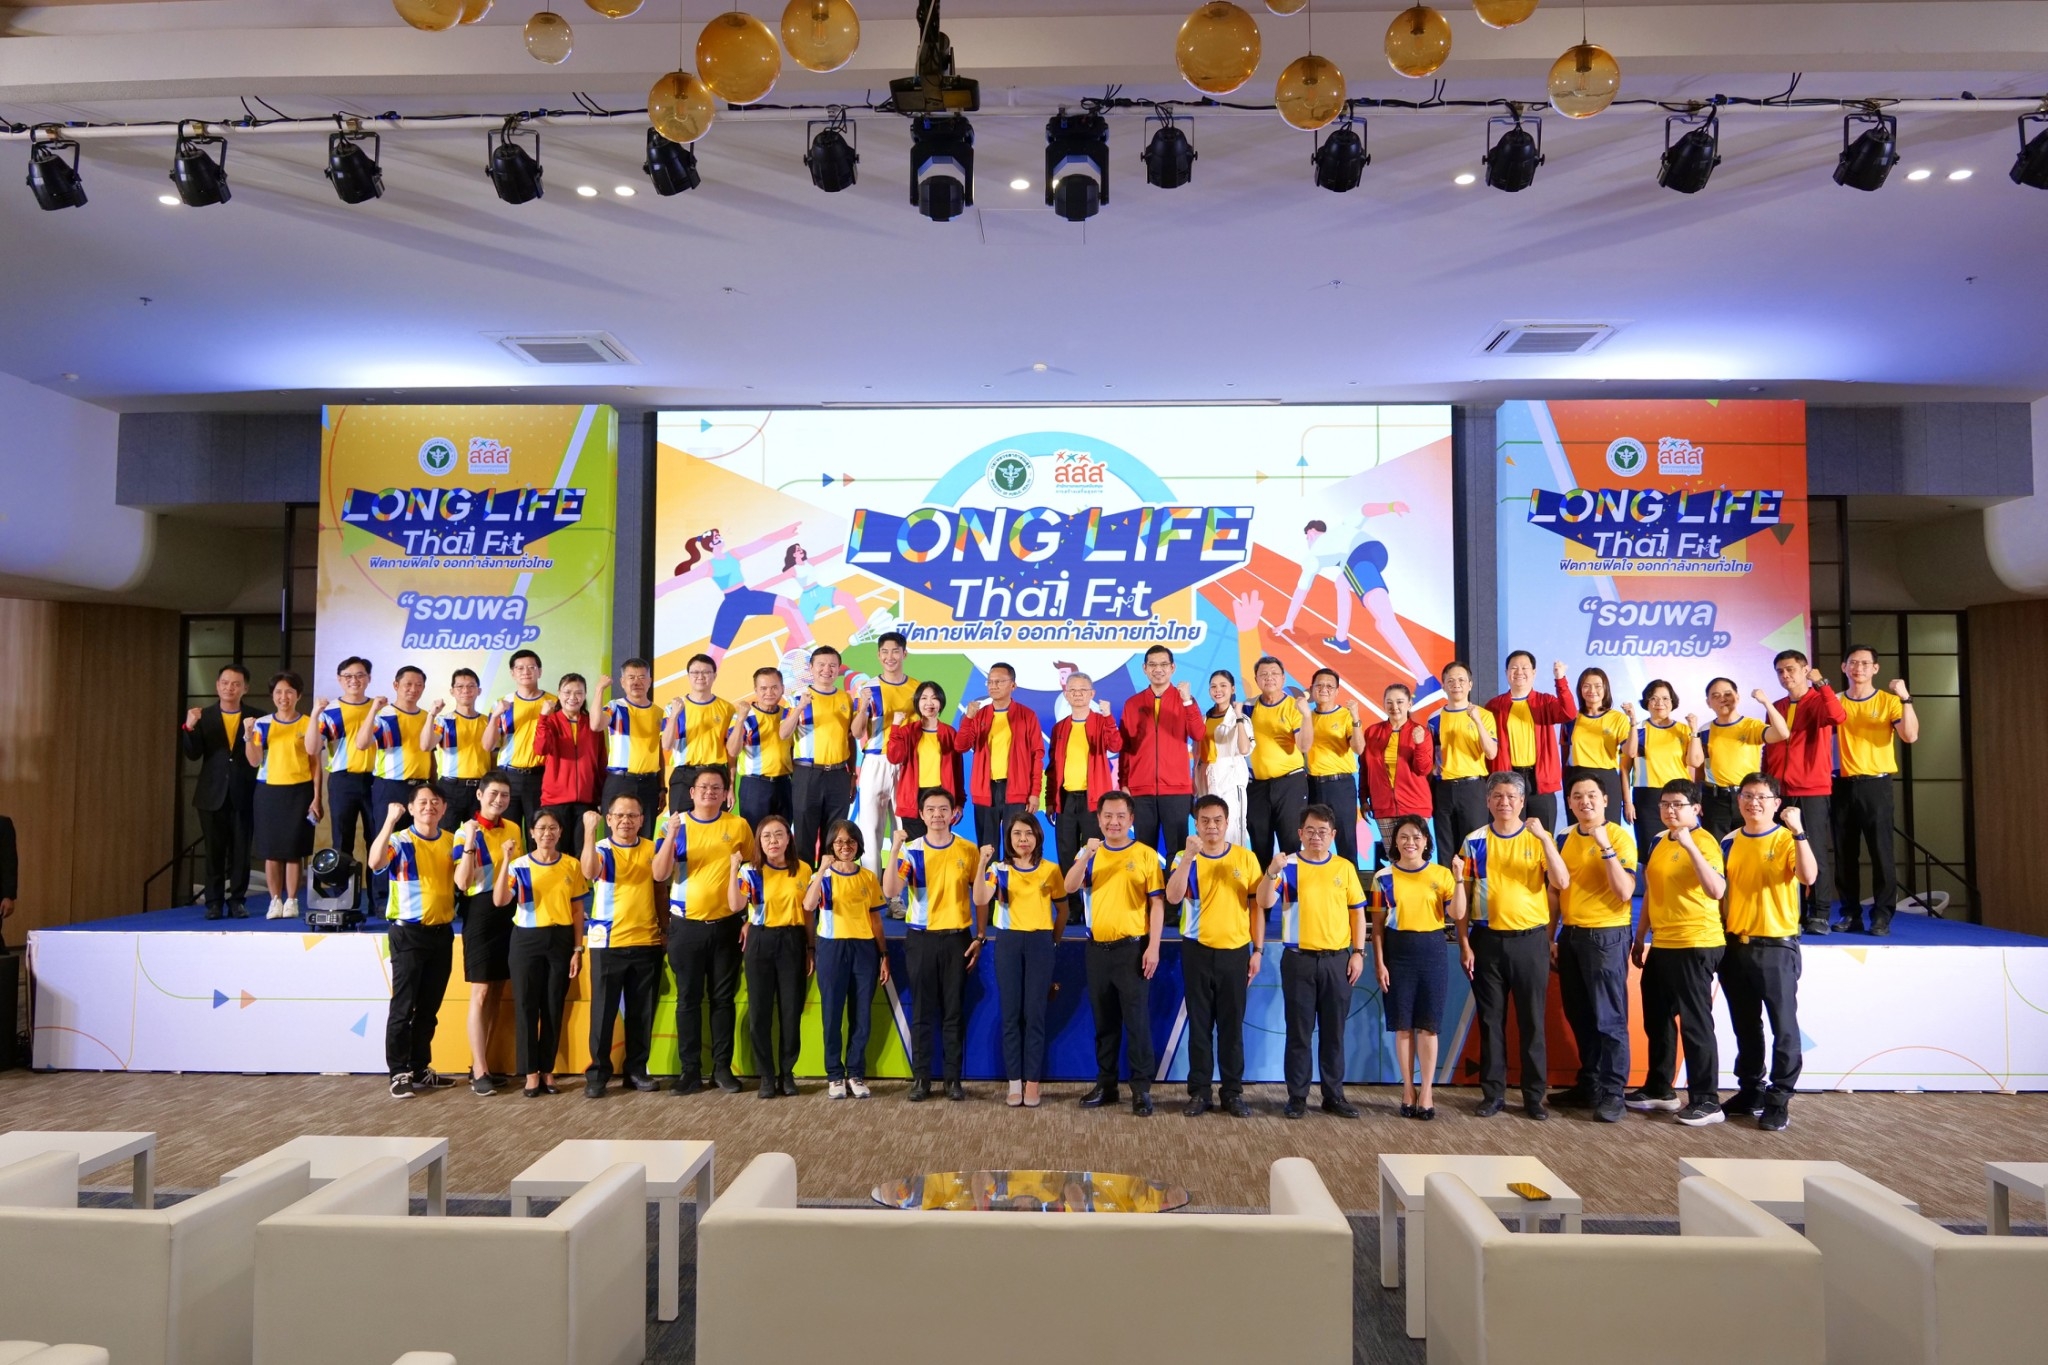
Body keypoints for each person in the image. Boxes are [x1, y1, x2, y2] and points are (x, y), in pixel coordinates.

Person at [1458, 770, 1568, 1120]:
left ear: (1522, 802)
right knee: (1491, 1021)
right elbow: (1463, 895)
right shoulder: (1474, 841)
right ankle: (1493, 1094)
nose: (1504, 802)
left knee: (1532, 1021)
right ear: (1487, 801)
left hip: (1530, 942)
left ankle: (1534, 1097)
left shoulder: (1538, 838)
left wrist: (1546, 839)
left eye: (1511, 797)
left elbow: (1561, 881)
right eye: (1497, 796)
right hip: (1486, 941)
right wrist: (1464, 944)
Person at [1719, 772, 1818, 1131]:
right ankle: (1751, 1091)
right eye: (1747, 795)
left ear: (1776, 803)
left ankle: (1779, 1098)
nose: (1753, 802)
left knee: (1783, 1027)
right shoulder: (1729, 841)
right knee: (1745, 1026)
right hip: (1736, 945)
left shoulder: (1788, 838)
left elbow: (1808, 877)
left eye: (1761, 797)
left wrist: (1799, 831)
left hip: (1776, 946)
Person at [1627, 778, 1727, 1126]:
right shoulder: (1658, 840)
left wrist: (1690, 846)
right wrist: (1640, 936)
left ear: (1696, 808)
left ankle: (1707, 1100)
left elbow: (1716, 890)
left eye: (1678, 804)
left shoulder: (1705, 842)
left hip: (1696, 941)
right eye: (1665, 804)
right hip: (1663, 942)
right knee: (1657, 1019)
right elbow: (1652, 892)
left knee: (1695, 1024)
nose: (1670, 810)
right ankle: (1660, 1088)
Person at [1064, 791, 1166, 1116]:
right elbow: (1068, 887)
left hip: (1132, 950)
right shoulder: (1090, 854)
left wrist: (1153, 946)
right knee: (1104, 1023)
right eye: (1107, 815)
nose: (1114, 822)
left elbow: (1157, 904)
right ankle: (1106, 1085)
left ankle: (1141, 1090)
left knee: (1137, 1023)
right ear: (1098, 819)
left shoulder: (1146, 855)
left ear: (1131, 819)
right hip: (1096, 950)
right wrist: (1086, 855)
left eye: (1121, 816)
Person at [655, 766, 755, 1094]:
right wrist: (670, 835)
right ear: (692, 793)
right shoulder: (674, 825)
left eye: (716, 788)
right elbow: (659, 874)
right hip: (686, 928)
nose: (710, 792)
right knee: (688, 1000)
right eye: (703, 787)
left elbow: (752, 873)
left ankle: (722, 1069)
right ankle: (690, 1072)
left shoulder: (738, 825)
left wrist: (749, 919)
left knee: (723, 999)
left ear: (726, 793)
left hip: (727, 926)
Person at [1266, 804, 1368, 1119]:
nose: (1316, 836)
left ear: (1333, 835)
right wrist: (1271, 873)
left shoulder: (1344, 867)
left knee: (1333, 1033)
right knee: (1299, 1032)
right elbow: (1265, 901)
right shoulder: (1287, 865)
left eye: (1323, 831)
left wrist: (1359, 953)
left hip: (1337, 961)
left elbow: (1358, 913)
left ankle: (1333, 1095)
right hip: (1298, 960)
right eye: (1309, 830)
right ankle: (1297, 1097)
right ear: (1300, 833)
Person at [1276, 508, 1439, 702]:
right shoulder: (1344, 527)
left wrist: (1289, 621)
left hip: (1357, 559)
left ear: (1310, 533)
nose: (1308, 541)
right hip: (1376, 552)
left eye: (1307, 538)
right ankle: (1341, 639)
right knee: (1342, 582)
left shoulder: (1315, 552)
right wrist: (1390, 505)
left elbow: (1301, 589)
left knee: (1384, 621)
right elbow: (1366, 509)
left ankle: (1426, 679)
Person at [1166, 795, 1263, 1118]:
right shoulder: (1184, 857)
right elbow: (1173, 897)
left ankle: (1232, 1092)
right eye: (1204, 820)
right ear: (1195, 824)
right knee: (1200, 1025)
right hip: (1196, 950)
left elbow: (1257, 908)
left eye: (1217, 820)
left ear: (1227, 822)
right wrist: (1187, 858)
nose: (1211, 826)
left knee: (1231, 1027)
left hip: (1235, 952)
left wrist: (1258, 950)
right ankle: (1200, 1092)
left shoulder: (1246, 858)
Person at [1549, 774, 1639, 1124]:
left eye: (1591, 795)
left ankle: (1614, 1092)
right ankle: (1590, 1084)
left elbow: (1625, 891)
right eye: (1577, 796)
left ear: (1605, 800)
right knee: (1581, 1015)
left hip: (1606, 937)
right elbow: (1555, 891)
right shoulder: (1564, 837)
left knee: (1609, 1019)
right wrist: (1551, 936)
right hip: (1571, 935)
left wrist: (1606, 848)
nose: (1584, 801)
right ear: (1569, 803)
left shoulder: (1619, 836)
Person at [887, 786, 984, 1101]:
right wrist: (894, 850)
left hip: (958, 939)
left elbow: (981, 897)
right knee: (922, 1012)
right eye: (930, 809)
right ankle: (921, 1079)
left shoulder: (968, 850)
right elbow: (891, 890)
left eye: (943, 809)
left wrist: (980, 936)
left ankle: (953, 1080)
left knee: (954, 1011)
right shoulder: (911, 851)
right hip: (921, 939)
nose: (937, 815)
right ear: (921, 814)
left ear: (954, 813)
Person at [368, 782, 458, 1098]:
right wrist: (390, 821)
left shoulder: (451, 841)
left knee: (429, 1008)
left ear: (444, 809)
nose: (429, 806)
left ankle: (420, 1067)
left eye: (435, 801)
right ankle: (398, 1072)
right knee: (404, 1007)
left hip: (442, 934)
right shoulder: (399, 840)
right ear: (411, 807)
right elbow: (375, 862)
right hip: (408, 933)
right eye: (422, 801)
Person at [1370, 815, 1460, 1121]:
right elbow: (1378, 928)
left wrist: (1460, 880)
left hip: (1433, 951)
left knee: (1429, 1025)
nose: (1410, 842)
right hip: (1397, 953)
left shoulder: (1442, 875)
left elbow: (1457, 913)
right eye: (1404, 837)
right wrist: (1380, 963)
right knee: (1403, 1026)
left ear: (1426, 841)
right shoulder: (1383, 877)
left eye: (1416, 837)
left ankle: (1427, 1092)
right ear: (1395, 842)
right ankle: (1408, 1090)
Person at [976, 811, 1068, 1108]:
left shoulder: (1051, 870)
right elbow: (980, 899)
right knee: (1011, 1014)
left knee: (1035, 1014)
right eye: (1017, 833)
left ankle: (1033, 1083)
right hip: (1008, 943)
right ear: (1009, 838)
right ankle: (1014, 1082)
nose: (1023, 839)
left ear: (1038, 837)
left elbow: (1063, 911)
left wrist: (1053, 941)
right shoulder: (998, 869)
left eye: (1028, 833)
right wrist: (981, 863)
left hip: (1041, 943)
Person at [494, 808, 587, 1097]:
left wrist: (577, 949)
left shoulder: (571, 865)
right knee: (526, 1006)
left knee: (553, 1005)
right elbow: (500, 900)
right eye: (541, 828)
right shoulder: (519, 865)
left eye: (553, 828)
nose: (547, 833)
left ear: (560, 833)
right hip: (526, 940)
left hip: (560, 939)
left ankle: (547, 1069)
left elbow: (577, 910)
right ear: (532, 833)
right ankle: (530, 1072)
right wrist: (505, 860)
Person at [579, 793, 664, 1097]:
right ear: (609, 819)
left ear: (642, 820)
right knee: (603, 1012)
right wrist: (590, 832)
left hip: (646, 940)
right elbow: (588, 872)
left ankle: (636, 1070)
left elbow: (661, 886)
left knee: (642, 1012)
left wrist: (664, 930)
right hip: (607, 941)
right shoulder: (600, 848)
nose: (626, 821)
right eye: (619, 815)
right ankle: (598, 1074)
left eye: (632, 816)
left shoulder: (652, 849)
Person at [1833, 646, 1919, 936]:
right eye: (1853, 663)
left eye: (1864, 663)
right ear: (1844, 667)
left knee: (1882, 853)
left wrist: (1905, 698)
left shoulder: (1889, 701)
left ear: (1875, 668)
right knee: (1844, 855)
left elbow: (1910, 735)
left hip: (1876, 785)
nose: (1858, 668)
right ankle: (1850, 914)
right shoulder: (1835, 701)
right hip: (1840, 785)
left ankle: (1882, 916)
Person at [449, 772, 524, 1095]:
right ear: (479, 795)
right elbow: (461, 882)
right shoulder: (464, 831)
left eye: (505, 795)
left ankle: (482, 1065)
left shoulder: (514, 829)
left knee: (496, 990)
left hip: (508, 910)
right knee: (480, 992)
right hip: (479, 912)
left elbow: (518, 873)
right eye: (493, 793)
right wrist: (469, 841)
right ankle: (479, 1068)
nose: (499, 800)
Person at [805, 819, 887, 1099]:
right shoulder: (823, 877)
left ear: (858, 845)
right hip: (831, 947)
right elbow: (808, 905)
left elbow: (876, 920)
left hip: (864, 949)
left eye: (851, 841)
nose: (845, 847)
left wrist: (884, 954)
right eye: (839, 841)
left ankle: (855, 1073)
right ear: (830, 845)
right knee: (832, 1014)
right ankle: (834, 1075)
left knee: (861, 1015)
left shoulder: (868, 877)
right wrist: (821, 870)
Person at [1766, 650, 1846, 936]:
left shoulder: (1818, 699)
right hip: (1780, 789)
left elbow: (1838, 716)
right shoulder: (1777, 705)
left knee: (1814, 851)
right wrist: (1767, 783)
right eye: (1780, 671)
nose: (1785, 675)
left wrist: (1821, 683)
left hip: (1812, 789)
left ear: (1804, 669)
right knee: (1784, 854)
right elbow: (1771, 746)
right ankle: (1793, 913)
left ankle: (1820, 913)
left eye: (1790, 669)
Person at [732, 812, 809, 1099]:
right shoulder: (749, 871)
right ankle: (766, 1075)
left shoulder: (803, 870)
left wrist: (810, 948)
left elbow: (808, 914)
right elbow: (735, 905)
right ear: (759, 842)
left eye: (779, 834)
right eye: (766, 836)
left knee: (791, 1011)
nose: (773, 841)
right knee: (760, 1012)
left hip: (792, 940)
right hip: (760, 941)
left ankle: (787, 1073)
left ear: (789, 839)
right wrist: (733, 869)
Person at [356, 665, 434, 911]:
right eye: (408, 684)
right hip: (389, 787)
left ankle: (412, 899)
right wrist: (373, 710)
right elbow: (361, 743)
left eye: (419, 685)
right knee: (386, 842)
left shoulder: (427, 716)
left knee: (417, 843)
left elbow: (431, 755)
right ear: (396, 685)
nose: (413, 689)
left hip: (420, 789)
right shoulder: (384, 714)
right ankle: (381, 901)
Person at [673, 526, 814, 663]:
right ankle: (704, 677)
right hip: (732, 605)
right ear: (710, 544)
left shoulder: (732, 554)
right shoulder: (708, 566)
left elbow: (758, 544)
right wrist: (659, 591)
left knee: (789, 606)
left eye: (719, 535)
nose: (720, 537)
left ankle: (812, 652)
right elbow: (678, 582)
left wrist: (781, 535)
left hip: (747, 597)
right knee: (715, 653)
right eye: (716, 537)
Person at [182, 663, 257, 919]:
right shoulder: (203, 716)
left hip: (244, 793)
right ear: (217, 686)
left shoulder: (257, 717)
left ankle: (237, 901)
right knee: (214, 852)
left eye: (236, 684)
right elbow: (193, 754)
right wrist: (189, 727)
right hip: (211, 794)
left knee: (241, 852)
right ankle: (213, 902)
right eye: (225, 683)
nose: (229, 688)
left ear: (245, 688)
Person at [1118, 646, 1205, 855]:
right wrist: (1123, 783)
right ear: (1144, 668)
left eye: (1164, 664)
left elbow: (1198, 733)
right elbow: (1125, 748)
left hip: (1176, 790)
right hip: (1141, 790)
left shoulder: (1185, 701)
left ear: (1173, 668)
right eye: (1153, 665)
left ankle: (1177, 880)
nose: (1158, 669)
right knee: (1143, 853)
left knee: (1179, 853)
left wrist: (1187, 701)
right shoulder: (1132, 704)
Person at [245, 670, 317, 920]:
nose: (283, 696)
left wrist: (317, 797)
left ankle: (292, 901)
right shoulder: (262, 724)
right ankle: (275, 900)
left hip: (300, 790)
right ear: (272, 696)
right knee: (271, 849)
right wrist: (247, 735)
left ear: (298, 695)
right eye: (278, 692)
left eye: (289, 691)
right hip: (268, 791)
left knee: (294, 849)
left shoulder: (308, 723)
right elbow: (254, 760)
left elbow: (315, 764)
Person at [955, 662, 1044, 854]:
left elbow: (1037, 756)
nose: (993, 686)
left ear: (1013, 685)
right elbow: (961, 746)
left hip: (1017, 789)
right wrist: (968, 718)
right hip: (985, 790)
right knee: (987, 850)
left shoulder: (1027, 715)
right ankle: (988, 875)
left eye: (999, 681)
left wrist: (1035, 793)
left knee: (1017, 848)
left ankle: (1014, 874)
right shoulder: (978, 715)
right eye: (990, 681)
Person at [1483, 652, 1577, 832]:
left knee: (1543, 836)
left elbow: (1569, 713)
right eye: (1514, 668)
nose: (1519, 672)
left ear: (1534, 672)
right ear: (1506, 673)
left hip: (1540, 781)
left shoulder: (1545, 702)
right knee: (1509, 835)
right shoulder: (1494, 706)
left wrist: (1560, 680)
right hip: (1508, 780)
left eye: (1524, 668)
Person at [309, 656, 378, 899]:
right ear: (340, 680)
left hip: (376, 780)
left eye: (360, 675)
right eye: (348, 676)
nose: (354, 680)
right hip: (342, 780)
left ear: (369, 678)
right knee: (342, 839)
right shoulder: (329, 711)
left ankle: (378, 899)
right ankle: (342, 897)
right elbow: (313, 748)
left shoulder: (380, 709)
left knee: (376, 839)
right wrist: (315, 715)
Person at [1686, 678, 1791, 839]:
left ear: (1737, 696)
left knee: (1749, 844)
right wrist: (1697, 798)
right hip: (1714, 800)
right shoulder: (1704, 730)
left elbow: (1782, 733)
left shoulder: (1751, 726)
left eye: (1728, 694)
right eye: (1716, 696)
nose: (1723, 699)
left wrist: (1766, 702)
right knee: (1717, 848)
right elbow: (1699, 767)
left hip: (1748, 797)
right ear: (1708, 702)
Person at [852, 631, 919, 880]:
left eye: (895, 651)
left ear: (904, 654)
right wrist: (862, 706)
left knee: (904, 826)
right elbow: (856, 732)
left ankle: (899, 890)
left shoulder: (918, 688)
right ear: (879, 655)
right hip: (875, 760)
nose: (890, 657)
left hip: (906, 762)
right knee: (870, 828)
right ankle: (872, 890)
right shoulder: (868, 688)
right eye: (885, 652)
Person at [783, 644, 856, 867]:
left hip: (839, 775)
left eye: (832, 665)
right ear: (811, 668)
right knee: (804, 833)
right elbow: (784, 734)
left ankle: (830, 881)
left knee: (835, 835)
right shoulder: (797, 698)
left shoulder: (845, 699)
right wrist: (799, 708)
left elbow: (850, 738)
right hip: (807, 774)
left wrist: (852, 774)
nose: (827, 669)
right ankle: (805, 882)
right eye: (821, 664)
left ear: (838, 668)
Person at [1044, 671, 1121, 872]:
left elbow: (1116, 745)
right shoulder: (1059, 728)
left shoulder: (1102, 721)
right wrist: (1050, 799)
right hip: (1065, 801)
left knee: (1095, 856)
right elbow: (1052, 768)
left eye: (1082, 690)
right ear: (1066, 694)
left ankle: (1095, 893)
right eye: (1073, 690)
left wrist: (1108, 716)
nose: (1077, 694)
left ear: (1092, 694)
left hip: (1094, 801)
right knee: (1066, 855)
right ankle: (1070, 894)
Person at [1429, 661, 1498, 870]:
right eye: (1450, 681)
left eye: (1461, 680)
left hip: (1473, 788)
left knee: (1475, 848)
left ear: (1470, 684)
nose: (1456, 684)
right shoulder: (1434, 718)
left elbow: (1491, 752)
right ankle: (1450, 890)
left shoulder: (1484, 715)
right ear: (1443, 686)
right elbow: (1434, 755)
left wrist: (1477, 721)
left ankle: (1476, 890)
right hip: (1443, 789)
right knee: (1446, 849)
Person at [1246, 655, 1312, 865]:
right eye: (1263, 674)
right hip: (1256, 786)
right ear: (1256, 679)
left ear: (1283, 678)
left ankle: (1291, 886)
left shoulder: (1294, 707)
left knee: (1291, 841)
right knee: (1259, 844)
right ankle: (1262, 886)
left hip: (1289, 783)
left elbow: (1304, 746)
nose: (1269, 677)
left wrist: (1307, 716)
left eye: (1274, 673)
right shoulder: (1248, 708)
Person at [883, 682, 964, 841]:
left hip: (941, 796)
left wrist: (959, 802)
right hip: (913, 798)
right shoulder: (908, 731)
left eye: (934, 698)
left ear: (941, 703)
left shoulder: (949, 733)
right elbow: (894, 757)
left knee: (939, 844)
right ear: (917, 703)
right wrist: (895, 726)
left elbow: (957, 771)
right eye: (924, 698)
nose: (929, 703)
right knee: (916, 848)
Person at [425, 667, 501, 831]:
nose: (465, 690)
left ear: (479, 691)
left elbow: (494, 755)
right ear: (452, 691)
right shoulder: (443, 721)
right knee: (445, 835)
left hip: (481, 788)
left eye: (471, 686)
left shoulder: (488, 722)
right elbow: (427, 745)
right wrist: (431, 715)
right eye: (460, 686)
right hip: (450, 787)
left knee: (480, 836)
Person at [1304, 669, 1366, 868]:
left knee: (1346, 840)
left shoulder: (1346, 716)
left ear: (1337, 691)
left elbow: (1359, 748)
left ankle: (1351, 885)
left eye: (1329, 686)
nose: (1324, 689)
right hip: (1312, 785)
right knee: (1314, 840)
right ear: (1312, 689)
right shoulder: (1305, 717)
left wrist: (1356, 719)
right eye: (1319, 685)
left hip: (1340, 785)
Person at [1627, 680, 1695, 859]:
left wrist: (1695, 797)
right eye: (1654, 698)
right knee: (1649, 854)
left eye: (1665, 698)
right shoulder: (1637, 729)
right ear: (1646, 702)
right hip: (1647, 799)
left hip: (1679, 798)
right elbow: (1624, 769)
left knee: (1680, 853)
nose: (1660, 703)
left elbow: (1692, 766)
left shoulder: (1684, 730)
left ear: (1673, 702)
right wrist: (1627, 802)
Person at [1362, 683, 1435, 851]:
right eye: (1389, 702)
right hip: (1383, 807)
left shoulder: (1421, 732)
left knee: (1416, 857)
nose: (1394, 707)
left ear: (1409, 704)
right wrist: (1364, 798)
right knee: (1393, 857)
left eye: (1400, 702)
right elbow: (1365, 769)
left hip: (1415, 806)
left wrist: (1419, 745)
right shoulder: (1372, 732)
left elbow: (1423, 769)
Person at [492, 649, 556, 836]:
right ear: (512, 673)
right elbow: (490, 745)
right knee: (507, 833)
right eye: (520, 668)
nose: (526, 672)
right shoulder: (502, 704)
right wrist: (495, 716)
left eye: (531, 667)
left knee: (539, 833)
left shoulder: (554, 703)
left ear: (540, 671)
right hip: (508, 776)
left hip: (540, 776)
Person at [600, 658, 666, 839]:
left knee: (645, 838)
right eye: (631, 677)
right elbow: (596, 724)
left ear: (650, 681)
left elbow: (660, 753)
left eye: (642, 677)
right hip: (620, 781)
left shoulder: (660, 713)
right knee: (616, 836)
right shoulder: (614, 707)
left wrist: (662, 787)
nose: (637, 682)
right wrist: (599, 690)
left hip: (649, 784)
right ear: (622, 682)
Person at [663, 653, 736, 815]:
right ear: (688, 676)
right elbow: (666, 745)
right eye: (695, 672)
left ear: (714, 676)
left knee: (716, 825)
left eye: (706, 672)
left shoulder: (727, 709)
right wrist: (674, 715)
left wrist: (731, 786)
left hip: (716, 774)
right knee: (680, 825)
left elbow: (732, 753)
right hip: (684, 776)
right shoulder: (673, 707)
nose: (700, 676)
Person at [1563, 667, 1633, 823]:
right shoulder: (1571, 717)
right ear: (1580, 689)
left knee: (1609, 829)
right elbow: (1564, 754)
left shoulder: (1618, 718)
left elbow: (1629, 752)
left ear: (1605, 688)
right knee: (1578, 829)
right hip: (1576, 777)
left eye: (1597, 686)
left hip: (1607, 778)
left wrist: (1627, 801)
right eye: (1586, 686)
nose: (1592, 690)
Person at [729, 665, 795, 827]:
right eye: (763, 688)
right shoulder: (744, 716)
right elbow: (732, 751)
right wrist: (740, 720)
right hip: (755, 786)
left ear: (782, 688)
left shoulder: (788, 715)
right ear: (756, 690)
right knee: (755, 835)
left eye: (774, 687)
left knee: (784, 834)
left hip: (784, 785)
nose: (769, 692)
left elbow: (794, 750)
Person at [1198, 670, 1252, 847]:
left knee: (1232, 831)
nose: (1218, 690)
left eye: (1223, 685)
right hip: (1209, 781)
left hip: (1231, 783)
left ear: (1233, 689)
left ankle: (1236, 865)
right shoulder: (1204, 719)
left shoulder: (1240, 718)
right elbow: (1200, 755)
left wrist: (1238, 717)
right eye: (1213, 686)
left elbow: (1244, 749)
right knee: (1208, 832)